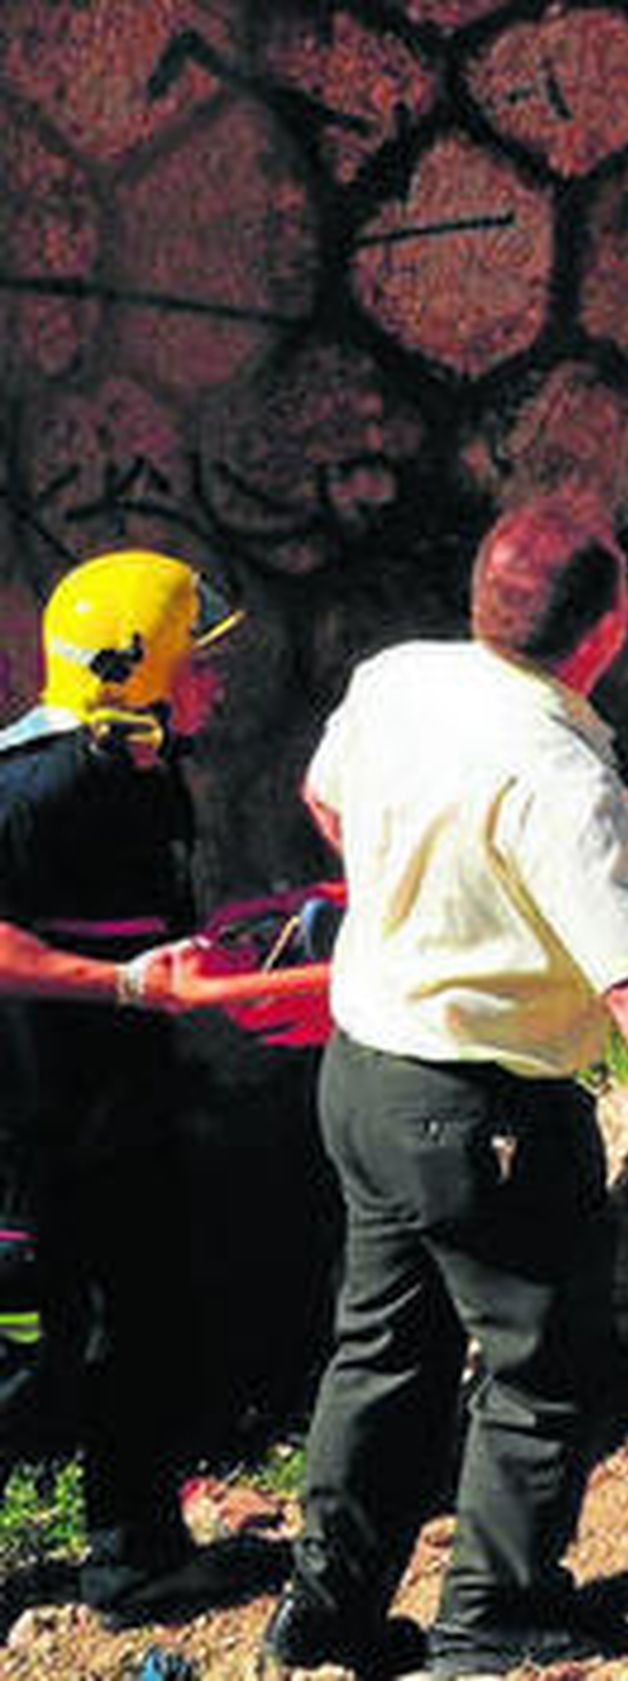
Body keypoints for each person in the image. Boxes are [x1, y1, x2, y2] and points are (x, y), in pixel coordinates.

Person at [260, 496, 628, 1679]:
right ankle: (492, 1620)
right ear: (607, 629)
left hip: (363, 1073)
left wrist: (426, 903)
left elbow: (327, 798)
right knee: (543, 1361)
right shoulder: (561, 775)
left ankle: (326, 1610)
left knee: (380, 1351)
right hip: (484, 1111)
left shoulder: (398, 679)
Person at [0, 549, 276, 1623]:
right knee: (20, 1370)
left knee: (148, 1334)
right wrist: (120, 983)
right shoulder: (37, 787)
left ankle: (137, 1560)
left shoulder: (146, 773)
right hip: (29, 1138)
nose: (216, 683)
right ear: (134, 672)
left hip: (121, 1120)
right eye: (198, 664)